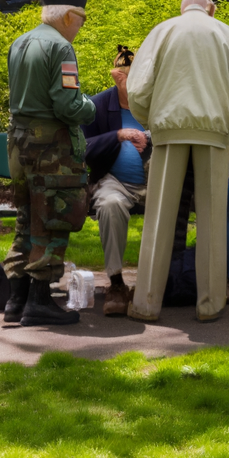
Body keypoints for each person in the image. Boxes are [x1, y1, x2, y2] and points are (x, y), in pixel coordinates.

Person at [124, 0, 229, 322]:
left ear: (183, 5)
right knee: (213, 219)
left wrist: (152, 120)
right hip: (214, 133)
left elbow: (137, 89)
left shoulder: (162, 31)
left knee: (158, 219)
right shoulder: (225, 32)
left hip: (168, 131)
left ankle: (146, 303)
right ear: (210, 7)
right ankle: (210, 304)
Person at [2, 0, 96, 328]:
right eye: (81, 20)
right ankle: (39, 302)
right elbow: (68, 105)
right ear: (70, 16)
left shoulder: (20, 42)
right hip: (50, 149)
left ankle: (15, 300)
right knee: (53, 220)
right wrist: (91, 107)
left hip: (18, 143)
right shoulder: (61, 47)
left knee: (27, 219)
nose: (80, 27)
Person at [82, 45, 155, 316]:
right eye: (129, 79)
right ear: (117, 77)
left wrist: (149, 137)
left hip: (154, 180)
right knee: (110, 204)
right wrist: (118, 135)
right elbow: (83, 148)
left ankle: (159, 281)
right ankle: (115, 282)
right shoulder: (98, 105)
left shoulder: (153, 104)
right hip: (115, 181)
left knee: (173, 204)